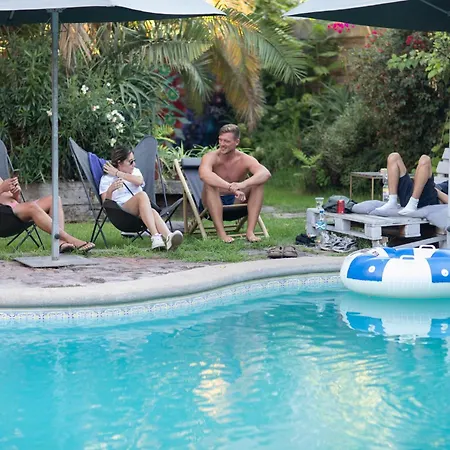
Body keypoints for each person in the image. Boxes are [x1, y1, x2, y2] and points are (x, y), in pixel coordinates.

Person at [99, 146, 183, 251]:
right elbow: (106, 205)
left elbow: (139, 181)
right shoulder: (106, 179)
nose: (134, 164)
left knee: (152, 211)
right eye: (130, 162)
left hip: (141, 211)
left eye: (134, 161)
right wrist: (110, 190)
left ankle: (169, 237)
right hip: (121, 212)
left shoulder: (135, 172)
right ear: (120, 163)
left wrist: (118, 173)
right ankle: (155, 236)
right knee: (142, 195)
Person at [199, 124, 271, 243]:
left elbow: (265, 173)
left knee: (257, 183)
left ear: (237, 142)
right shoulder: (211, 157)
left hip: (236, 202)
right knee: (210, 183)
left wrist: (241, 185)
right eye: (220, 140)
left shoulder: (244, 159)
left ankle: (250, 232)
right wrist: (230, 187)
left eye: (226, 141)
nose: (222, 144)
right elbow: (204, 174)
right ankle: (222, 234)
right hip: (210, 204)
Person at [0, 174, 95, 253]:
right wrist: (2, 188)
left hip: (14, 211)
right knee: (32, 207)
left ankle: (60, 243)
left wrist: (15, 193)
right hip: (4, 219)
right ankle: (71, 239)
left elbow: (11, 199)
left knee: (54, 200)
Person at [374, 152, 448, 215]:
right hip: (413, 194)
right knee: (394, 157)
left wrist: (436, 190)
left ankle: (413, 203)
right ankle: (392, 201)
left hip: (427, 200)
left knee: (425, 159)